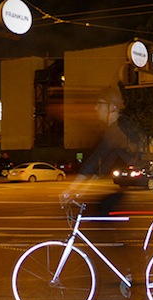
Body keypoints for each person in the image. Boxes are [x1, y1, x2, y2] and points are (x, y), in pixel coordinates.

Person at [65, 85, 137, 213]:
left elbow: (95, 159)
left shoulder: (117, 130)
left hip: (140, 183)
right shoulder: (117, 127)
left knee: (100, 212)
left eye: (99, 104)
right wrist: (83, 189)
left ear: (112, 107)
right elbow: (103, 165)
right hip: (128, 184)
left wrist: (72, 188)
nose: (95, 108)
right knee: (101, 212)